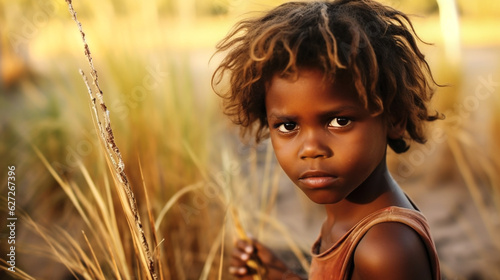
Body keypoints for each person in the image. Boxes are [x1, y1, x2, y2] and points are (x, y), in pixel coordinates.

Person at [212, 0, 442, 279]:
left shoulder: (385, 249)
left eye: (339, 121)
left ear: (393, 119)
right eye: (287, 125)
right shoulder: (347, 219)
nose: (311, 149)